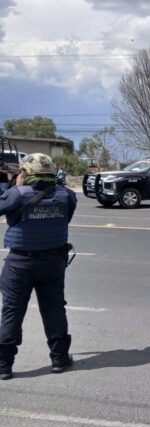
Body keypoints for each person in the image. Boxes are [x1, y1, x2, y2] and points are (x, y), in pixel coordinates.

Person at [0, 153, 78, 380]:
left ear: (26, 173)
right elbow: (65, 218)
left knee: (12, 312)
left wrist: (11, 186)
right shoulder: (67, 196)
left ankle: (4, 365)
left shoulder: (17, 194)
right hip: (54, 263)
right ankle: (59, 359)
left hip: (20, 264)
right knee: (54, 309)